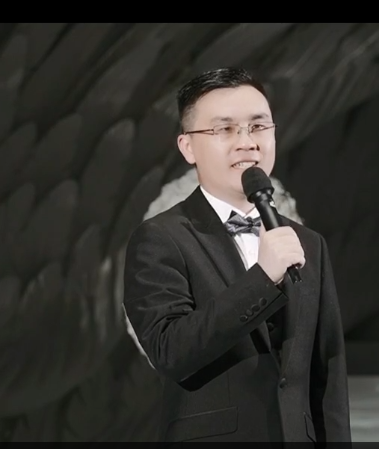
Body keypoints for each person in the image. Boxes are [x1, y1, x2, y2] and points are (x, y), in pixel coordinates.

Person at [123, 67, 351, 443]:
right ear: (188, 147)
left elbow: (328, 374)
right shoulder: (160, 238)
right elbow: (170, 351)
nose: (247, 142)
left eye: (258, 127)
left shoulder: (307, 243)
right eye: (225, 129)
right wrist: (263, 279)